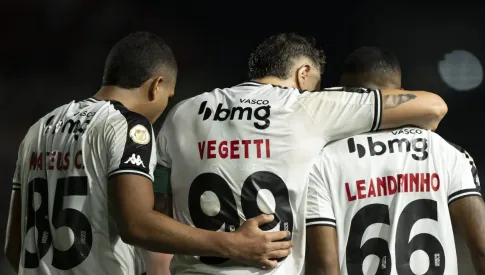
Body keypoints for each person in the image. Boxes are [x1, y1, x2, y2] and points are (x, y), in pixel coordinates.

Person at [153, 34, 448, 274]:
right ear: (303, 73)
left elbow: (158, 210)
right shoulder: (308, 107)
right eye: (315, 84)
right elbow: (433, 107)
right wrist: (339, 96)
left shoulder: (183, 112)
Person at [3, 32, 293, 275]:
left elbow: (13, 246)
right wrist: (231, 244)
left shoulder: (40, 128)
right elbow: (136, 224)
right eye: (169, 96)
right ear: (156, 86)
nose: (166, 105)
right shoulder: (128, 126)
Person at [305, 47, 485, 275]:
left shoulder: (323, 161)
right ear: (403, 94)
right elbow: (484, 249)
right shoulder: (447, 152)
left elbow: (323, 267)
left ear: (346, 95)